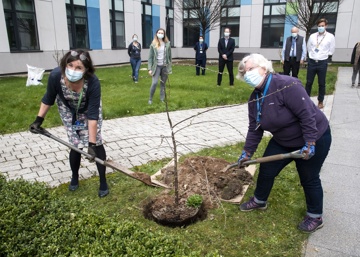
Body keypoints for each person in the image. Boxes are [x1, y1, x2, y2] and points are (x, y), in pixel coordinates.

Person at [236, 53, 332, 233]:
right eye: (244, 72)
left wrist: (310, 143)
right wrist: (247, 152)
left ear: (264, 68)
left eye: (250, 69)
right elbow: (255, 129)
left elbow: (307, 115)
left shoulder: (287, 85)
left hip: (315, 136)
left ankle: (315, 216)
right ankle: (259, 200)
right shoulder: (255, 99)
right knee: (267, 170)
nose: (247, 74)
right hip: (283, 140)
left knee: (309, 177)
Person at [29, 49, 109, 198]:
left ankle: (103, 181)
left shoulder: (93, 82)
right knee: (74, 143)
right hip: (67, 109)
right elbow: (48, 98)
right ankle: (74, 177)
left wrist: (91, 145)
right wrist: (38, 120)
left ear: (86, 70)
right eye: (70, 65)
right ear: (64, 65)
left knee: (97, 144)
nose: (73, 70)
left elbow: (92, 117)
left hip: (89, 110)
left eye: (79, 67)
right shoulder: (55, 76)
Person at [305, 18, 335, 109]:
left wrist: (323, 55)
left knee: (321, 83)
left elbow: (331, 50)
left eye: (322, 26)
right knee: (309, 82)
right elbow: (309, 47)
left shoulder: (330, 37)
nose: (320, 27)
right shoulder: (313, 36)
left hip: (322, 62)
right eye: (319, 26)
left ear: (326, 26)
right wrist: (312, 55)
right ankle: (306, 100)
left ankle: (320, 101)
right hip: (312, 62)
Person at [148, 28, 172, 105]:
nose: (160, 34)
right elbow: (150, 57)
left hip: (164, 66)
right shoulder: (153, 44)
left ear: (164, 34)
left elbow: (169, 56)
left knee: (163, 84)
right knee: (154, 83)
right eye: (159, 32)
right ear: (156, 33)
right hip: (156, 66)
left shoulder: (167, 44)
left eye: (162, 33)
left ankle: (162, 99)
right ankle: (150, 99)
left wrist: (169, 65)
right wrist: (150, 69)